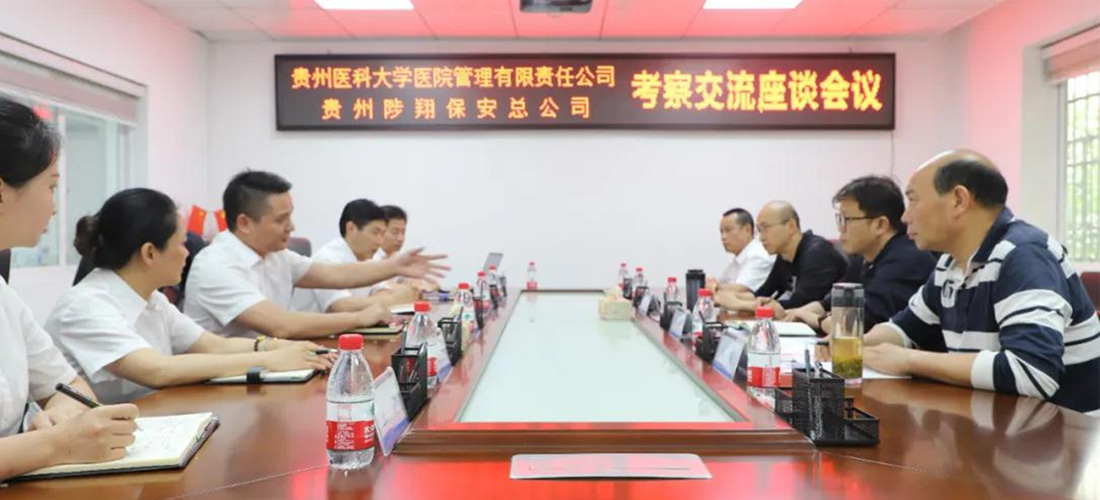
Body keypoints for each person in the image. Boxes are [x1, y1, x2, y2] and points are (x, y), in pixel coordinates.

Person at [840, 150, 1099, 415]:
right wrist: (850, 346)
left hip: (1066, 433)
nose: (905, 217)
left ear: (958, 200)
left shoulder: (1023, 255)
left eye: (913, 200)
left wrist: (907, 360)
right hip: (1002, 424)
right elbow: (906, 328)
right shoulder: (950, 263)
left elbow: (1031, 372)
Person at [46, 188, 334, 404]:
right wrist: (271, 361)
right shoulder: (86, 306)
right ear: (149, 253)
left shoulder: (152, 299)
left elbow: (214, 346)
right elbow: (158, 370)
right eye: (182, 244)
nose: (187, 253)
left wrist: (276, 347)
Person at [0, 98, 138, 480]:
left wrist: (61, 415)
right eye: (51, 186)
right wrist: (56, 444)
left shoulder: (4, 296)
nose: (55, 207)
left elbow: (72, 387)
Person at [183, 171, 448, 339]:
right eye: (281, 219)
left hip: (268, 367)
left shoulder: (275, 255)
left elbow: (333, 275)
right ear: (244, 223)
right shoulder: (217, 265)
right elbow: (281, 325)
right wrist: (358, 319)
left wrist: (396, 266)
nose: (292, 226)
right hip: (218, 387)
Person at [784, 176, 935, 333]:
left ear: (880, 225)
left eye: (847, 219)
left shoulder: (907, 260)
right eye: (840, 219)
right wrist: (793, 314)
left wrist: (816, 320)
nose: (841, 228)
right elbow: (833, 302)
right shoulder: (863, 257)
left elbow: (863, 324)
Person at [292, 198, 419, 314]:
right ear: (351, 228)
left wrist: (375, 302)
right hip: (316, 331)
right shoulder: (327, 258)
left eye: (382, 234)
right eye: (375, 233)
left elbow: (382, 291)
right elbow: (341, 307)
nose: (380, 241)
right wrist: (393, 299)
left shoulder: (372, 258)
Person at [734, 201, 848, 316]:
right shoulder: (784, 254)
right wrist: (738, 299)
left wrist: (740, 304)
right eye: (759, 230)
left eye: (765, 228)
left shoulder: (817, 253)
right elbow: (764, 293)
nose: (761, 237)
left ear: (790, 226)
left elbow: (801, 305)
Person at [706, 208, 775, 296]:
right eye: (721, 232)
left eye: (728, 230)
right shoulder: (739, 258)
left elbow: (737, 292)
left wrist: (714, 286)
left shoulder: (758, 256)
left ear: (747, 229)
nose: (723, 237)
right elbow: (722, 284)